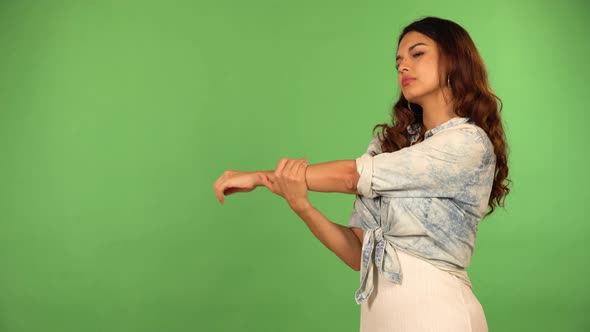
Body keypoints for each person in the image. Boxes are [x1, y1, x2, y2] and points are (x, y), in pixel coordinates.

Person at [213, 16, 509, 332]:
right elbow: (357, 252)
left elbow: (351, 177)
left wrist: (260, 177)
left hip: (438, 314)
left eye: (417, 54)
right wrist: (302, 206)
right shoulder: (390, 144)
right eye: (399, 60)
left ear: (454, 60)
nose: (403, 66)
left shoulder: (467, 142)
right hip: (379, 318)